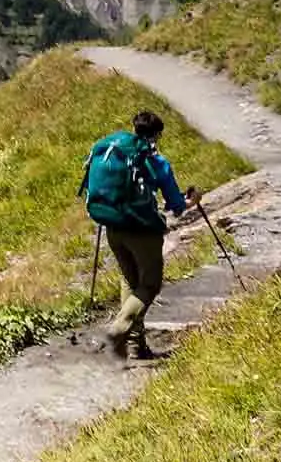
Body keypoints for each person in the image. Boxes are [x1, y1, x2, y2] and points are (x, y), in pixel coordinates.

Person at [79, 109, 201, 359]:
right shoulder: (157, 163)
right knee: (149, 285)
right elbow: (176, 206)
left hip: (113, 227)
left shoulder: (116, 151)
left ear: (134, 129)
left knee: (129, 281)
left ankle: (135, 347)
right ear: (156, 135)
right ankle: (118, 329)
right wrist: (193, 200)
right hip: (142, 231)